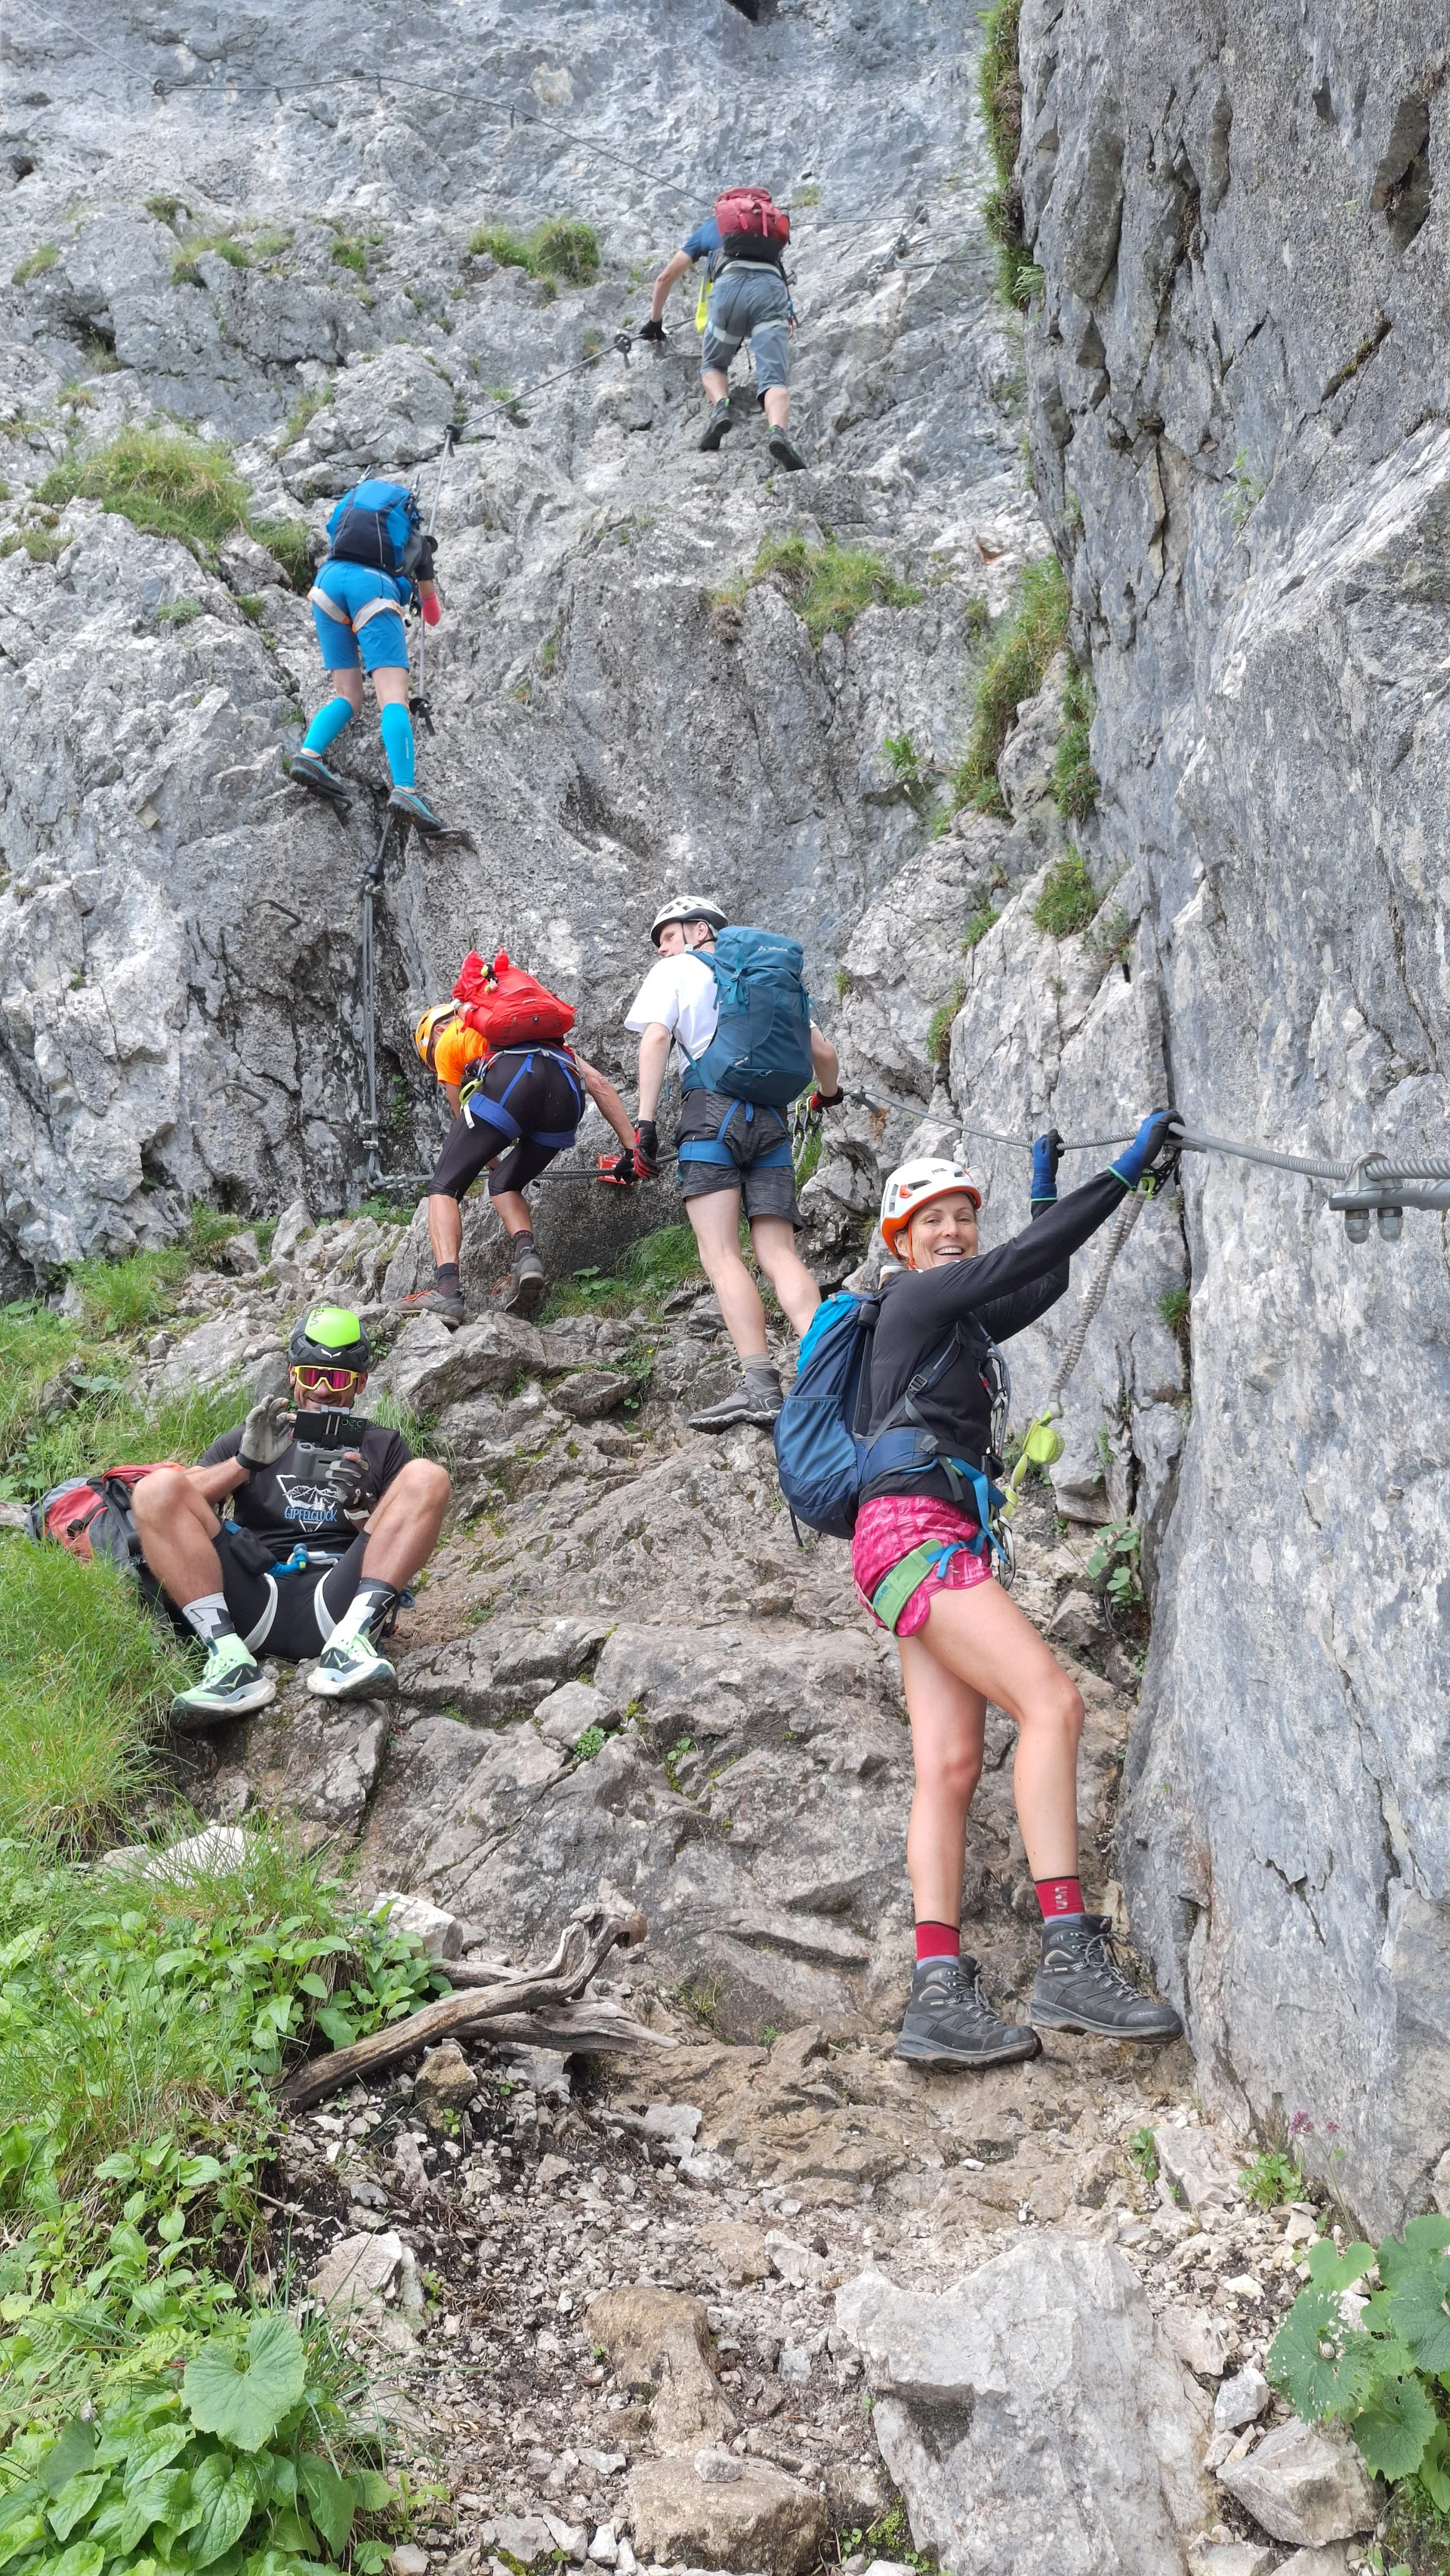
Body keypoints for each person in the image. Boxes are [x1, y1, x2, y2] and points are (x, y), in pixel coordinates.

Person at [854, 1120, 1185, 2068]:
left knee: (950, 1767)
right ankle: (1070, 1954)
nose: (953, 1230)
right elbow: (1030, 1257)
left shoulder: (950, 1322)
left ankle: (936, 1996)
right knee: (1051, 1704)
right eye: (934, 1219)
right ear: (902, 1242)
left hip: (909, 1541)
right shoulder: (915, 1299)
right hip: (919, 1534)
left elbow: (1041, 1278)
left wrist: (1046, 1191)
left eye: (965, 1214)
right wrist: (1120, 1175)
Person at [132, 1307, 451, 1722]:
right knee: (154, 1485)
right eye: (310, 1375)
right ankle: (230, 1664)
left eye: (337, 1379)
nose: (322, 1390)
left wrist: (357, 1507)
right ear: (291, 1374)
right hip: (253, 1595)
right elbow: (164, 1503)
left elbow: (401, 1531)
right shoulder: (252, 1436)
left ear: (360, 1384)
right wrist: (245, 1462)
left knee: (428, 1476)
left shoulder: (383, 1446)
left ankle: (347, 1649)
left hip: (339, 1601)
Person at [625, 896, 841, 1429]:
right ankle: (829, 1374)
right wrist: (828, 1097)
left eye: (668, 936)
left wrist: (644, 1126)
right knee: (778, 1252)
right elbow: (825, 1055)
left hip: (710, 1115)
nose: (662, 948)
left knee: (722, 1254)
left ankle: (761, 1386)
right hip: (771, 1121)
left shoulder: (677, 970)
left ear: (700, 929)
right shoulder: (766, 977)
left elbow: (655, 1038)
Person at [401, 994, 637, 1323]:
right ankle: (526, 1256)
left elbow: (462, 1119)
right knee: (504, 1184)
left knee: (444, 1185)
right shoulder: (541, 1038)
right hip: (566, 1096)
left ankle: (447, 1290)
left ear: (434, 1034)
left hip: (513, 1081)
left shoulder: (447, 1039)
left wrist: (489, 1158)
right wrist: (632, 1150)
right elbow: (599, 1083)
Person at [291, 477, 448, 835]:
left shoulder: (350, 529)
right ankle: (406, 790)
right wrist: (423, 576)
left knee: (349, 694)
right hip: (374, 588)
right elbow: (434, 617)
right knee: (393, 695)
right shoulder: (417, 544)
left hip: (327, 582)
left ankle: (310, 755)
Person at [639, 188, 807, 470]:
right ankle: (777, 431)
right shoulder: (768, 228)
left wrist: (655, 322)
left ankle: (720, 408)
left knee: (713, 365)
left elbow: (665, 276)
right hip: (770, 291)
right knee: (774, 379)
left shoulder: (713, 226)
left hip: (728, 291)